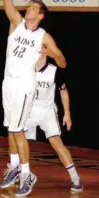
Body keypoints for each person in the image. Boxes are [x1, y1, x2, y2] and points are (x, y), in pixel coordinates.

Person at [0, 0, 66, 197]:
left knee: (18, 131)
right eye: (29, 7)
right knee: (11, 129)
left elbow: (62, 62)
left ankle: (27, 173)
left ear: (40, 15)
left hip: (24, 85)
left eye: (33, 8)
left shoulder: (43, 35)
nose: (28, 9)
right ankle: (14, 167)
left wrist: (50, 52)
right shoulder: (17, 23)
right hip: (9, 82)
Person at [25, 51, 83, 193]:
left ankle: (75, 178)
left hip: (47, 111)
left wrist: (67, 113)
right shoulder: (26, 68)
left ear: (45, 51)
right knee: (16, 138)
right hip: (29, 111)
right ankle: (20, 172)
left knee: (56, 142)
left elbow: (63, 91)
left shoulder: (54, 70)